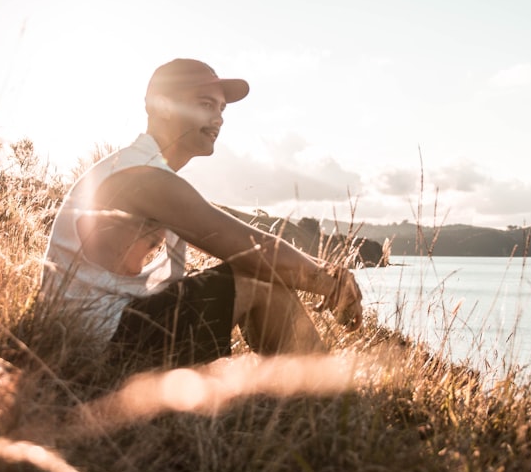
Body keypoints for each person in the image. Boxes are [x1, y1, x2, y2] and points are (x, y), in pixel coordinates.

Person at [40, 58, 363, 369]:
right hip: (96, 344)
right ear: (162, 106)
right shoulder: (140, 175)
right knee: (258, 279)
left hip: (109, 330)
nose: (219, 118)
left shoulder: (144, 169)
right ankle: (330, 398)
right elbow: (250, 248)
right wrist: (332, 283)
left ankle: (316, 393)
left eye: (221, 109)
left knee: (261, 279)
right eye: (206, 105)